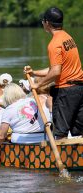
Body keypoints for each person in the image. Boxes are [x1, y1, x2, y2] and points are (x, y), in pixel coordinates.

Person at [24, 7, 83, 139]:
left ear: (47, 23)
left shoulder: (54, 44)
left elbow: (56, 71)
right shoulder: (68, 37)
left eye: (43, 21)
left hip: (66, 91)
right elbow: (55, 68)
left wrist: (37, 86)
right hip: (80, 88)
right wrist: (34, 73)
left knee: (61, 132)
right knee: (79, 130)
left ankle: (62, 157)